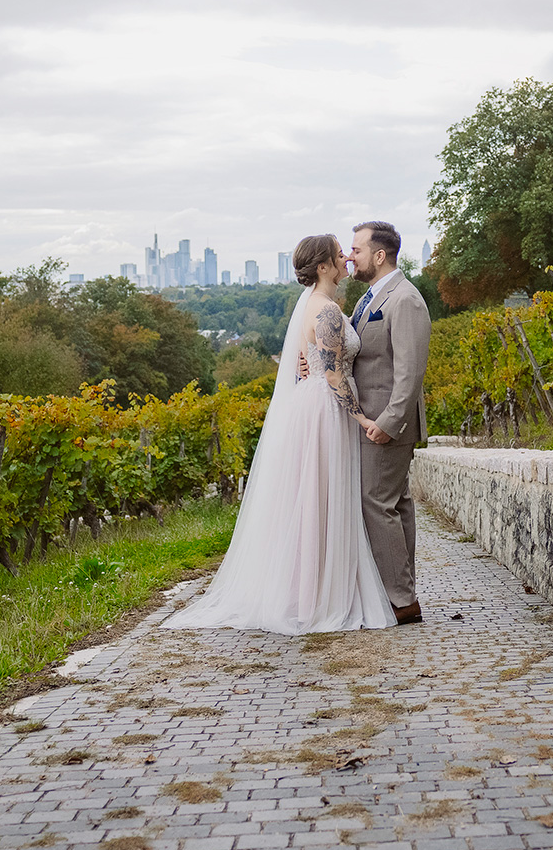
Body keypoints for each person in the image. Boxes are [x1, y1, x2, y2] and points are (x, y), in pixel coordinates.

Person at [162, 234, 396, 635]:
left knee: (316, 500)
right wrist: (361, 419)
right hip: (328, 411)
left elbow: (313, 362)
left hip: (320, 404)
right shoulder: (323, 311)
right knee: (319, 500)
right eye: (339, 253)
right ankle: (316, 598)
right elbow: (334, 373)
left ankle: (313, 593)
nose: (345, 257)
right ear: (323, 267)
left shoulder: (319, 306)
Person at [343, 220, 431, 624]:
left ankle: (401, 600)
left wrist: (389, 422)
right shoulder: (370, 298)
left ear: (380, 256)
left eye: (357, 250)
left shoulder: (405, 300)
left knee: (378, 503)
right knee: (394, 504)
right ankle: (399, 592)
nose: (350, 256)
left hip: (384, 424)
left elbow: (409, 372)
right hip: (372, 421)